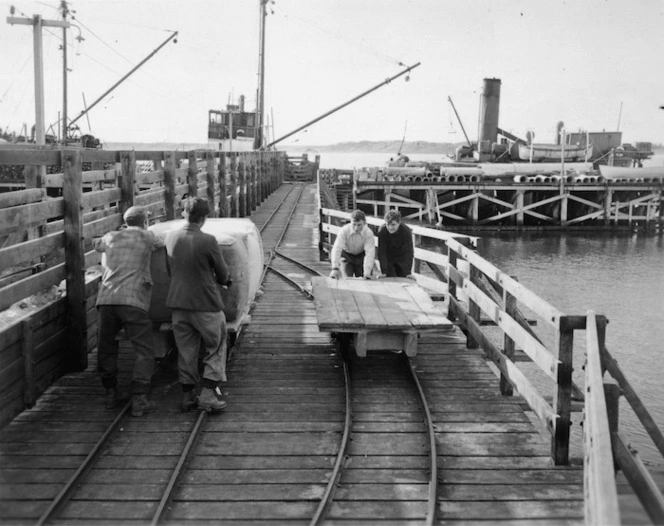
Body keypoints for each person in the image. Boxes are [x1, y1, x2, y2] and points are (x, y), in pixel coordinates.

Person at [94, 205, 164, 417]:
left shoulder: (110, 237)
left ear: (125, 222)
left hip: (106, 299)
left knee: (106, 347)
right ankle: (140, 398)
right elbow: (162, 243)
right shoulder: (147, 237)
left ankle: (110, 393)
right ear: (145, 222)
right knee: (144, 349)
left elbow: (96, 244)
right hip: (133, 299)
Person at [165, 198, 232, 412]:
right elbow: (222, 273)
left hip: (178, 304)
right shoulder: (209, 240)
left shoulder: (170, 237)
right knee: (217, 345)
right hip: (206, 305)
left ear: (184, 213)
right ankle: (208, 394)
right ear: (204, 218)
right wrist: (226, 281)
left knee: (186, 351)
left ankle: (187, 396)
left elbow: (170, 271)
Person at [329, 209, 376, 279]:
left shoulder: (368, 233)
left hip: (362, 256)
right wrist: (335, 268)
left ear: (364, 223)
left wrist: (367, 272)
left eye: (359, 225)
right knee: (347, 280)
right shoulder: (344, 231)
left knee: (365, 281)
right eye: (354, 224)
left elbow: (370, 253)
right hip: (347, 256)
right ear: (350, 222)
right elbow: (337, 248)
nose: (356, 228)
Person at [377, 210, 414, 278]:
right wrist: (383, 271)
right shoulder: (382, 231)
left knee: (403, 279)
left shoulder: (406, 231)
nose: (390, 227)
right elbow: (382, 251)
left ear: (399, 223)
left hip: (401, 258)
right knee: (390, 279)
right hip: (389, 258)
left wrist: (408, 272)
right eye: (388, 224)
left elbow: (409, 252)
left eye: (393, 224)